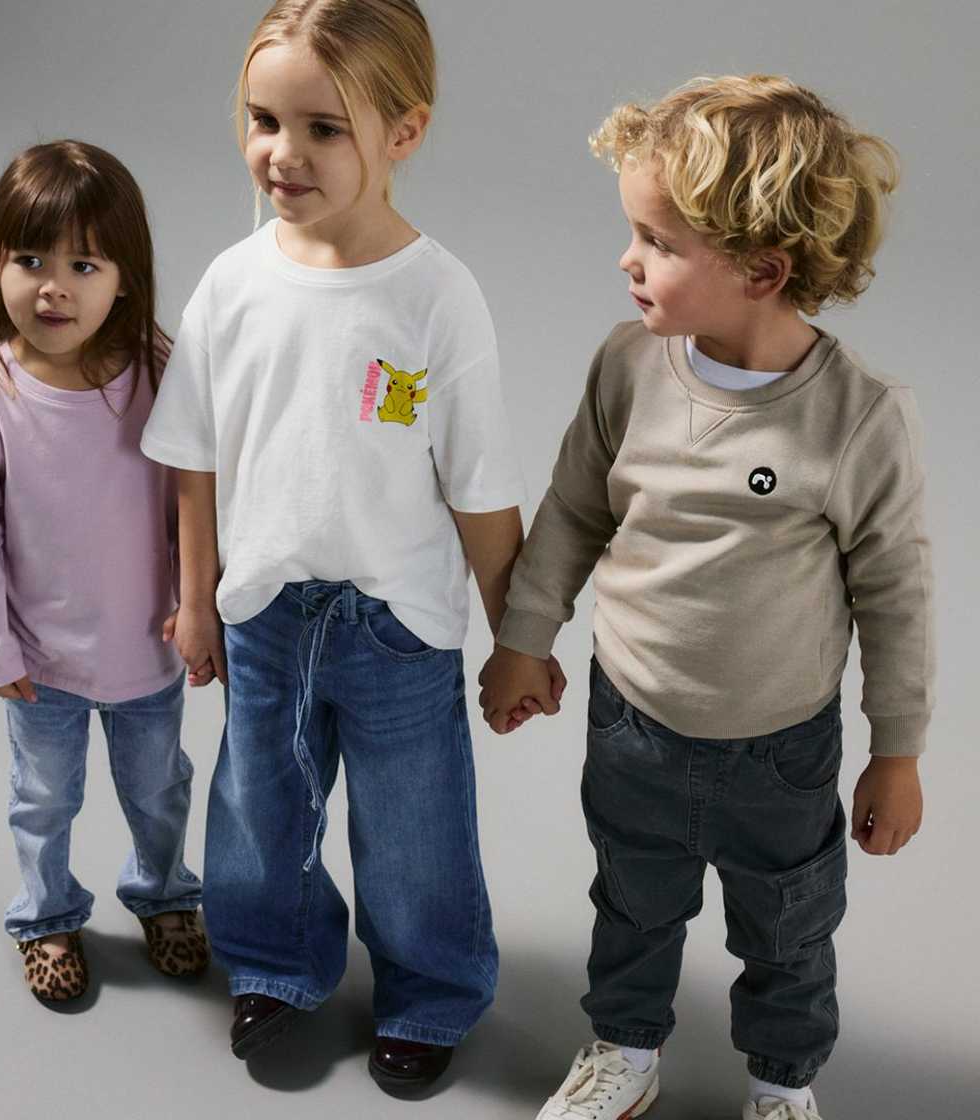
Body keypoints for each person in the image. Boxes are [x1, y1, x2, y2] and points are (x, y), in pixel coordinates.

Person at [479, 75, 933, 1120]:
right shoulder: (627, 366)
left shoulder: (856, 419)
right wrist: (522, 638)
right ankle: (623, 1052)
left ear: (762, 269)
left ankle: (781, 1084)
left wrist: (897, 752)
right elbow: (572, 511)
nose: (627, 259)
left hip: (780, 751)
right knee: (631, 906)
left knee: (789, 929)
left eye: (658, 241)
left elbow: (896, 597)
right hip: (632, 723)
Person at [141, 0, 561, 1096]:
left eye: (323, 128)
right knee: (258, 811)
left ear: (403, 131)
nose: (284, 153)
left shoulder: (436, 295)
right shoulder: (233, 285)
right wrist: (196, 596)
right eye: (263, 120)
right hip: (264, 613)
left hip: (398, 624)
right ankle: (275, 968)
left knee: (416, 828)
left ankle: (430, 991)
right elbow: (193, 459)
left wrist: (518, 637)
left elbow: (480, 488)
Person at [0, 140, 209, 1003]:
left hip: (146, 653)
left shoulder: (159, 374)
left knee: (159, 793)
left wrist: (196, 602)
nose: (53, 288)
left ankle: (164, 894)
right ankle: (47, 913)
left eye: (83, 265)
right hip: (41, 664)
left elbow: (192, 501)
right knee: (44, 799)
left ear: (124, 279)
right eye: (31, 260)